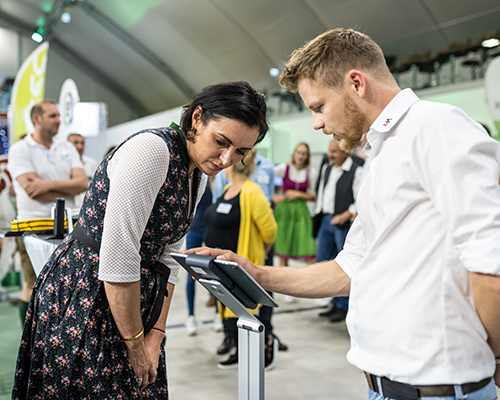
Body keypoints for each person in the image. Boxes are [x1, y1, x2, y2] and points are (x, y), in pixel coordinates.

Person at [186, 29, 500, 399]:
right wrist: (256, 273)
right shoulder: (382, 154)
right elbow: (349, 267)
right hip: (385, 387)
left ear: (356, 83)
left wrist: (494, 355)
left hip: (439, 389)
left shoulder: (437, 128)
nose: (317, 123)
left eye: (318, 106)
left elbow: (490, 266)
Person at [12, 81, 269, 399]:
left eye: (241, 152)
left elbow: (170, 256)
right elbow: (120, 255)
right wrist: (135, 343)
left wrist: (157, 333)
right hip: (89, 292)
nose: (227, 158)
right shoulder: (152, 150)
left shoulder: (198, 172)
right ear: (197, 118)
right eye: (221, 141)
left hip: (134, 305)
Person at [8, 100, 88, 327]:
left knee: (67, 287)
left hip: (67, 227)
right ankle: (31, 343)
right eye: (53, 116)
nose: (58, 120)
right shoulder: (20, 149)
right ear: (37, 119)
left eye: (58, 116)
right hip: (31, 227)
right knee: (32, 285)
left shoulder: (67, 148)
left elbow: (82, 182)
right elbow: (33, 192)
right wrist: (66, 186)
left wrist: (47, 185)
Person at [204, 148, 277, 370]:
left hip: (243, 263)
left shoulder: (252, 192)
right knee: (230, 311)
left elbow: (270, 230)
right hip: (223, 266)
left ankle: (266, 348)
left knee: (251, 312)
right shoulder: (227, 189)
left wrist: (261, 253)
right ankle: (238, 349)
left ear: (234, 165)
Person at [315, 139, 363, 322]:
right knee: (326, 261)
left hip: (342, 222)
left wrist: (347, 213)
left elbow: (360, 197)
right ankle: (334, 302)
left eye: (335, 152)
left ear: (345, 152)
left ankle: (344, 306)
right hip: (326, 219)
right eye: (330, 151)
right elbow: (323, 191)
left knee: (344, 266)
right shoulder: (327, 168)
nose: (331, 155)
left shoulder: (356, 170)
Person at [273, 142, 317, 268]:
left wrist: (298, 194)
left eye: (304, 154)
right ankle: (284, 282)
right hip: (284, 210)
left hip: (301, 212)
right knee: (283, 246)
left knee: (306, 246)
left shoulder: (311, 172)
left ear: (307, 156)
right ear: (294, 153)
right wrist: (273, 195)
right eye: (299, 152)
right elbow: (266, 176)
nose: (301, 156)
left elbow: (313, 196)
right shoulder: (283, 168)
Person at [67, 133, 98, 207]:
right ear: (67, 145)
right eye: (76, 143)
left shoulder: (92, 164)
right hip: (68, 208)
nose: (80, 146)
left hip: (86, 208)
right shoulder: (63, 165)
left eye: (82, 143)